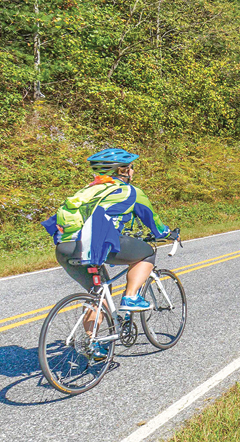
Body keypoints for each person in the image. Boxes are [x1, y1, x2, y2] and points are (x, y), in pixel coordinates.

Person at [44, 149, 172, 358]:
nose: (133, 172)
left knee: (98, 293)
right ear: (124, 171)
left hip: (65, 248)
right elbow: (155, 225)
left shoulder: (87, 191)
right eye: (131, 168)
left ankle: (91, 343)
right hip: (97, 243)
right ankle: (130, 297)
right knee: (147, 253)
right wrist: (168, 233)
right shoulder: (131, 191)